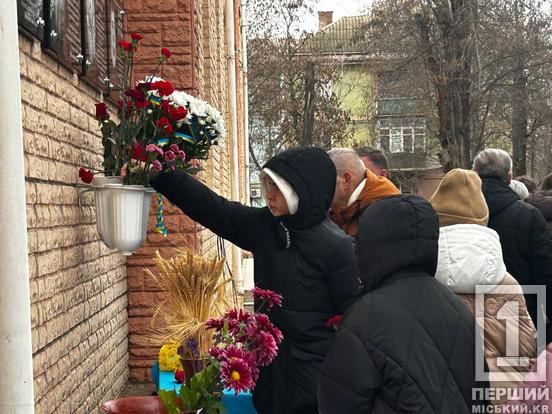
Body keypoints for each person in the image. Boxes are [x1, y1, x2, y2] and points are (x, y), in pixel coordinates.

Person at [151, 147, 363, 414]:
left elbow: (356, 325)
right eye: (268, 185)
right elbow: (214, 209)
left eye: (279, 188)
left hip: (315, 383)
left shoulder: (339, 249)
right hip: (270, 376)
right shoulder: (265, 226)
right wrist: (159, 173)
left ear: (303, 191)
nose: (270, 195)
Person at [318, 195, 483, 413]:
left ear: (370, 245)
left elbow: (338, 401)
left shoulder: (365, 318)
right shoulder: (457, 309)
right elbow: (480, 392)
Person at [430, 169, 536, 403]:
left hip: (446, 398)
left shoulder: (423, 283)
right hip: (506, 397)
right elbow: (524, 349)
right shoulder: (507, 284)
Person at [473, 149, 552, 342]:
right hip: (522, 316)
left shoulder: (457, 217)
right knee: (519, 362)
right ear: (509, 177)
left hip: (468, 318)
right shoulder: (528, 216)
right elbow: (545, 272)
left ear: (474, 173)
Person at [328, 148, 399, 236]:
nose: (321, 187)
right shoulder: (342, 210)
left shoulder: (389, 213)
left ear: (346, 180)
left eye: (326, 181)